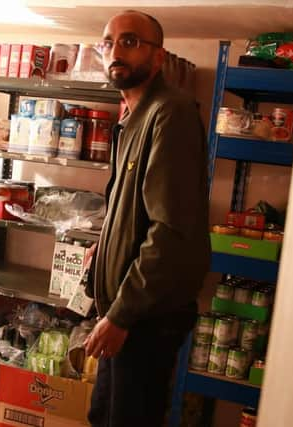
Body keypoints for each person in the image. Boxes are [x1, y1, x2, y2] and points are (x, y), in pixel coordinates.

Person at [83, 10, 211, 427]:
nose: (115, 50)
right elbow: (136, 211)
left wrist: (121, 316)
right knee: (102, 416)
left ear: (158, 58)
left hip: (145, 318)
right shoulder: (131, 118)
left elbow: (170, 230)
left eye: (130, 41)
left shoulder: (169, 113)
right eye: (108, 42)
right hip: (126, 311)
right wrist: (104, 252)